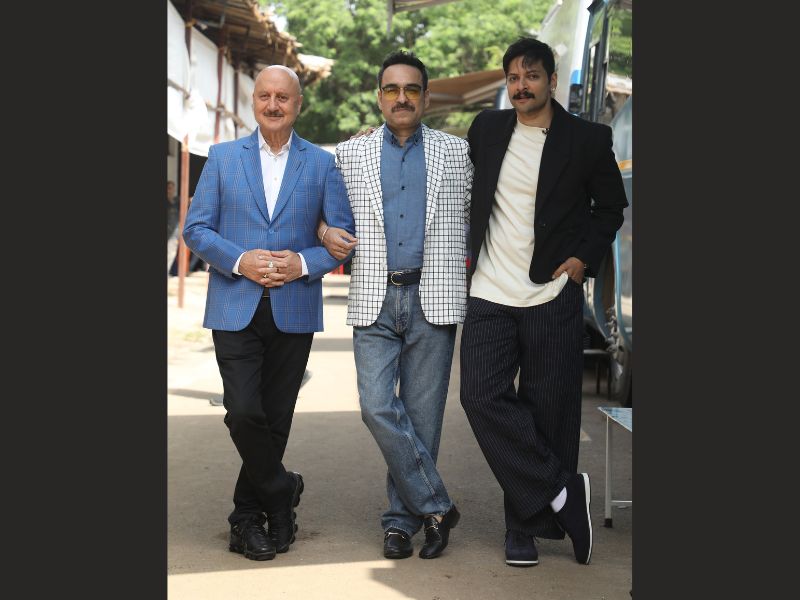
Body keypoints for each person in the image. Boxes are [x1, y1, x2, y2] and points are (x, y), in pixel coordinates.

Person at [459, 37, 628, 568]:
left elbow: (611, 207)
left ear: (552, 81)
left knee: (549, 409)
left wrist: (583, 260)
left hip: (552, 290)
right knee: (479, 395)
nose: (521, 86)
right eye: (513, 77)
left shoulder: (587, 139)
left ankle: (524, 529)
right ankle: (561, 491)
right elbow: (453, 171)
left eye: (531, 76)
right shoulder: (487, 129)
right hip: (490, 288)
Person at [182, 65, 355, 562]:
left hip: (293, 306)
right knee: (243, 411)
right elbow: (196, 229)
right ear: (253, 101)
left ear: (298, 104)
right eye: (264, 96)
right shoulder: (222, 158)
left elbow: (341, 238)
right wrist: (241, 260)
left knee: (276, 418)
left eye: (283, 97)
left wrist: (303, 262)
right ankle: (281, 492)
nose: (273, 105)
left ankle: (248, 518)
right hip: (234, 303)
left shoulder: (321, 164)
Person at [319, 50, 473, 560]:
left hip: (435, 296)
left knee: (423, 419)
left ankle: (401, 524)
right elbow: (319, 210)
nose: (401, 98)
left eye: (411, 89)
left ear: (426, 97)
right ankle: (437, 505)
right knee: (377, 406)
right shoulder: (349, 154)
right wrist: (323, 230)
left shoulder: (459, 153)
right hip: (375, 296)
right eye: (391, 89)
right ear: (379, 97)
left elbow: (481, 214)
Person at [167, 180, 180, 271]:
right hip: (168, 230)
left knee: (172, 253)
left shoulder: (176, 201)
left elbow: (187, 201)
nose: (170, 190)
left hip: (174, 231)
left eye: (172, 188)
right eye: (169, 188)